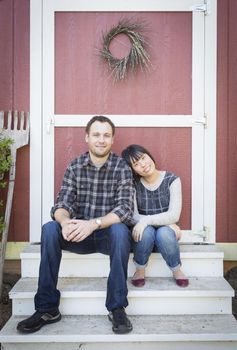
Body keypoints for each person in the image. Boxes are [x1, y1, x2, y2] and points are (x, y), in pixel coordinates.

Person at [17, 116, 135, 335]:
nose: (101, 140)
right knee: (49, 228)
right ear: (87, 137)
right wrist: (63, 222)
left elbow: (124, 210)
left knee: (120, 230)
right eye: (96, 134)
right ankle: (47, 308)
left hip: (105, 235)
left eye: (106, 135)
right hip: (77, 235)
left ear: (112, 139)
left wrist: (93, 224)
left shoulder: (122, 168)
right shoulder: (75, 166)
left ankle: (117, 307)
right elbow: (62, 203)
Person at [121, 144, 189, 288]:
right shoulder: (133, 184)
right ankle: (139, 270)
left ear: (149, 155)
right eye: (136, 164)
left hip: (166, 238)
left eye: (143, 158)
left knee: (164, 233)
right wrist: (162, 222)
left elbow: (174, 215)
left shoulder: (172, 180)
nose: (143, 165)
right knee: (146, 231)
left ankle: (176, 270)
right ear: (133, 170)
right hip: (143, 239)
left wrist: (146, 220)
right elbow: (132, 216)